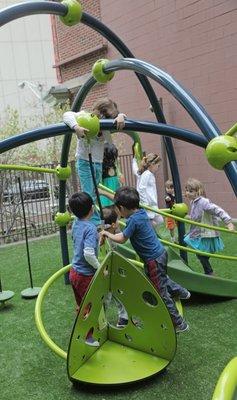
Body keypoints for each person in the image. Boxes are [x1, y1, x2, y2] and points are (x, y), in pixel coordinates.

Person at [100, 187, 190, 334]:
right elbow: (120, 201)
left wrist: (106, 233)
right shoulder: (140, 211)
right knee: (161, 279)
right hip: (160, 253)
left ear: (122, 208)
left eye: (118, 209)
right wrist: (104, 193)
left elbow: (122, 239)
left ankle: (179, 323)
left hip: (152, 260)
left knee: (160, 292)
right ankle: (182, 291)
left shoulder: (133, 221)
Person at [63, 98, 126, 226]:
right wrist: (76, 127)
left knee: (95, 193)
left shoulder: (106, 125)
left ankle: (93, 220)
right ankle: (89, 222)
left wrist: (120, 116)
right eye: (107, 116)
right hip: (85, 162)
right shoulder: (85, 118)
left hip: (97, 163)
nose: (108, 119)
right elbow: (67, 115)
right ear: (99, 113)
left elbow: (122, 118)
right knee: (88, 194)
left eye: (111, 117)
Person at [68, 191, 101, 346]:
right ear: (91, 209)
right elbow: (88, 253)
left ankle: (80, 326)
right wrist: (99, 266)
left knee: (81, 304)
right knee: (90, 305)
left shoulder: (75, 223)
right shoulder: (90, 228)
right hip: (85, 275)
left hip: (74, 272)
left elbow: (77, 240)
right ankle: (88, 336)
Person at [184, 178, 234, 275]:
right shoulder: (193, 201)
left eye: (191, 191)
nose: (188, 193)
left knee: (201, 254)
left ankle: (209, 272)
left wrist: (228, 222)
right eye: (186, 190)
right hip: (199, 232)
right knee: (200, 253)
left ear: (198, 191)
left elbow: (217, 210)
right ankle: (208, 271)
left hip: (206, 233)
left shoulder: (203, 202)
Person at [102, 206, 129, 328]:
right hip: (105, 273)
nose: (119, 222)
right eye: (118, 220)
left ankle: (123, 317)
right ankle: (99, 319)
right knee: (105, 299)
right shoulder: (104, 239)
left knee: (119, 294)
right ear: (113, 224)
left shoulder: (113, 234)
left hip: (114, 272)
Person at [132, 153, 164, 227]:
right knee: (154, 223)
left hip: (152, 203)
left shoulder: (145, 173)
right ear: (152, 164)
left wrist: (133, 161)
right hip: (148, 204)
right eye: (158, 166)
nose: (158, 168)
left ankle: (149, 231)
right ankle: (148, 232)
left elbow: (135, 170)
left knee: (160, 221)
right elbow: (141, 189)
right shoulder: (147, 174)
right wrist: (145, 203)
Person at [100, 143, 124, 207]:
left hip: (114, 200)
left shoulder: (115, 167)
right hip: (106, 202)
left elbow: (120, 182)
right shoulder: (101, 169)